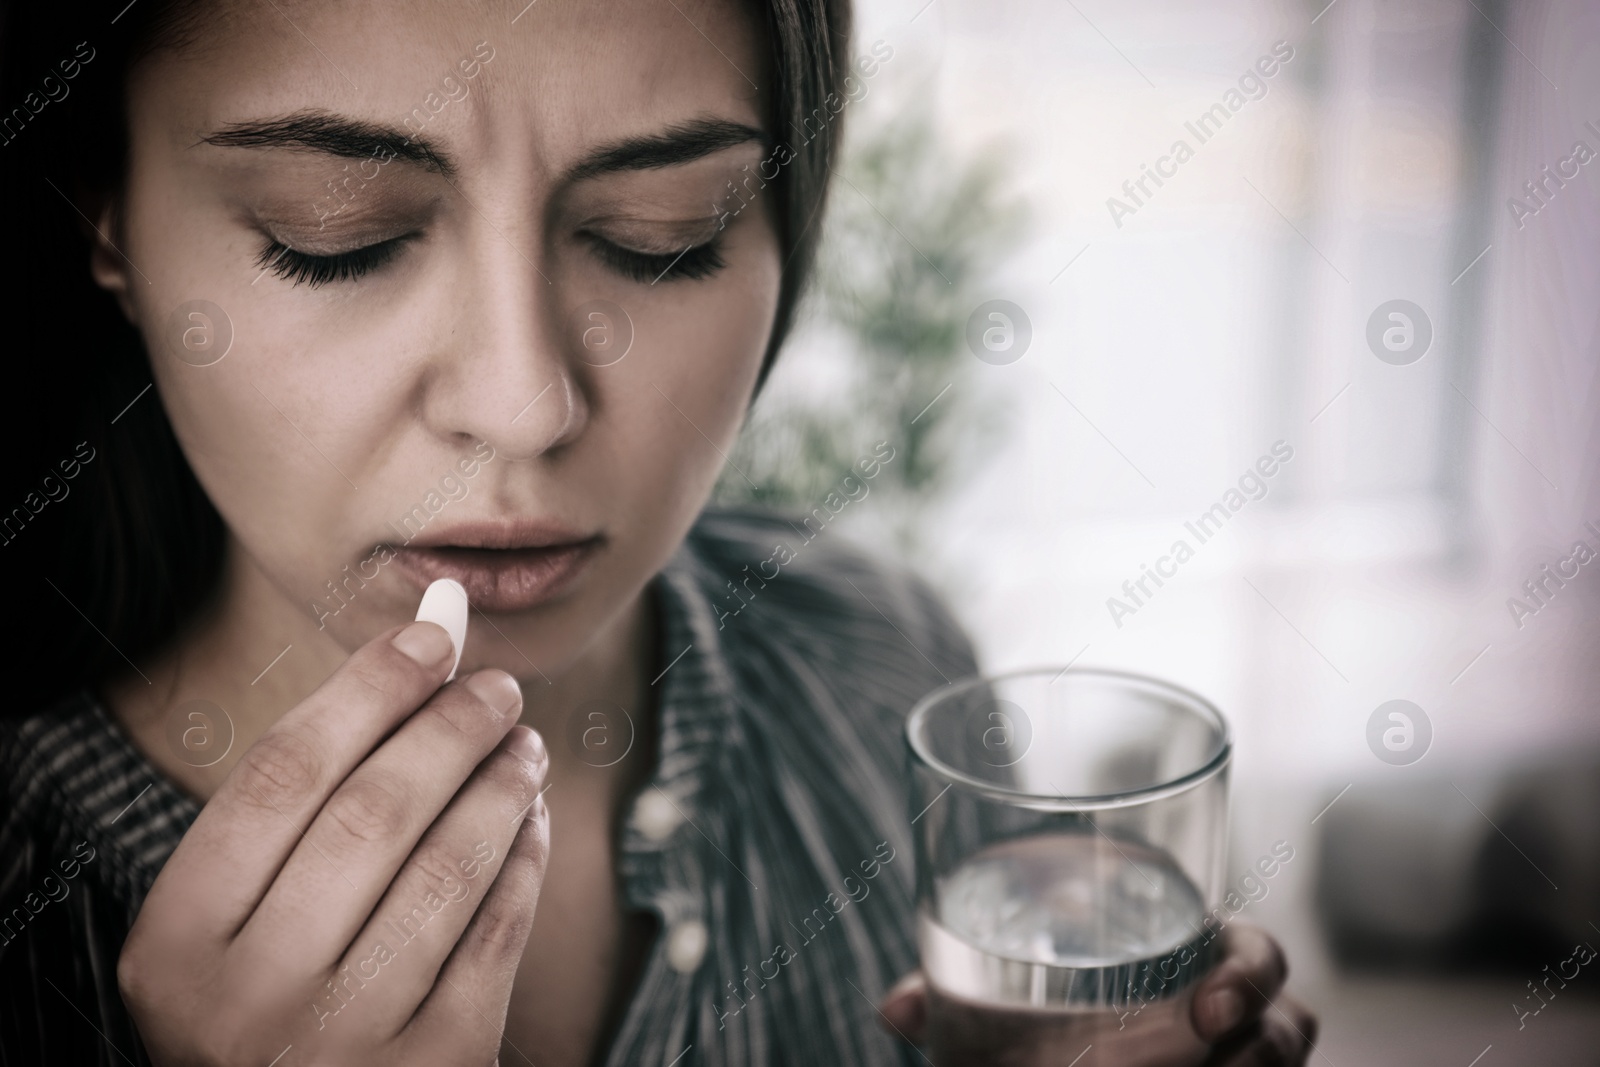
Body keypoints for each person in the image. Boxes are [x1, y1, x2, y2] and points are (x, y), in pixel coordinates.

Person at [0, 0, 1317, 1063]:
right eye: (334, 240)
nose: (524, 405)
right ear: (106, 215)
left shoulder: (884, 666)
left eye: (664, 238)